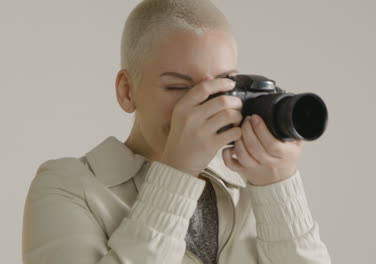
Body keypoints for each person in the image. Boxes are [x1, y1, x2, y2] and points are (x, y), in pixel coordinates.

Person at [22, 0, 332, 263]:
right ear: (127, 91)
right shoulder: (67, 187)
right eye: (179, 87)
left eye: (224, 85)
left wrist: (278, 184)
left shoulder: (251, 188)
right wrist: (176, 173)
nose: (205, 105)